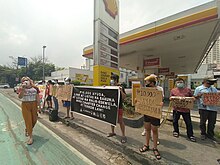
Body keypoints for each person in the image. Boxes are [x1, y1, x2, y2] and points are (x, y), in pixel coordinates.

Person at [139, 75, 163, 160]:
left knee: (154, 130)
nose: (146, 84)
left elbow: (160, 100)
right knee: (147, 129)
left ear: (152, 83)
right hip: (147, 112)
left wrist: (161, 104)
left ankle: (155, 148)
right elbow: (141, 99)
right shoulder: (145, 90)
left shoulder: (159, 90)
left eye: (147, 82)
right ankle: (146, 145)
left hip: (154, 113)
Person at [170, 77, 196, 142]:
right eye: (178, 82)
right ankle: (176, 131)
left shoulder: (188, 90)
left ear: (183, 83)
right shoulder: (173, 90)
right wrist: (172, 98)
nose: (179, 83)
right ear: (176, 83)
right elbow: (170, 98)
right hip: (176, 109)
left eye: (181, 82)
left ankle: (190, 135)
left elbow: (192, 98)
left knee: (188, 123)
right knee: (175, 121)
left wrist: (192, 99)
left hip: (186, 110)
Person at [18, 76, 41, 145]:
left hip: (33, 104)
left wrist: (39, 106)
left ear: (30, 81)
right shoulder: (21, 88)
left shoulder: (35, 88)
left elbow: (37, 97)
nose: (25, 81)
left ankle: (27, 129)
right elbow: (20, 97)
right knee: (28, 120)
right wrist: (23, 89)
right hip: (25, 105)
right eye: (24, 81)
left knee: (34, 119)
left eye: (27, 80)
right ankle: (30, 137)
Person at [107, 74, 127, 143]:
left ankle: (123, 136)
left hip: (119, 107)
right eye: (111, 79)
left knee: (121, 121)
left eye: (113, 79)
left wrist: (120, 90)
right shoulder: (110, 87)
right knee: (111, 120)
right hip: (112, 106)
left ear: (116, 80)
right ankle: (112, 132)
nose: (111, 80)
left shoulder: (121, 87)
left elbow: (124, 97)